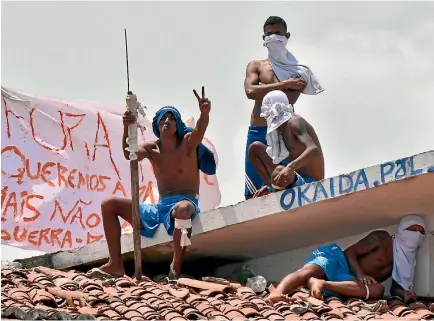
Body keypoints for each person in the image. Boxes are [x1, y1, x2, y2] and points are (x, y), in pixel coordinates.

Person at [90, 86, 215, 280]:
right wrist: (127, 128)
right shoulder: (151, 148)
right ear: (156, 124)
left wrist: (204, 113)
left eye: (172, 118)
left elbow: (200, 129)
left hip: (184, 202)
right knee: (109, 204)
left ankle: (175, 268)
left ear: (178, 125)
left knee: (182, 210)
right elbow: (129, 154)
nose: (167, 121)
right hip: (159, 209)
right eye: (164, 118)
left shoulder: (188, 143)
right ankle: (115, 264)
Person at [244, 15, 323, 199]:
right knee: (252, 193)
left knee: (283, 179)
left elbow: (288, 100)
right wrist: (282, 84)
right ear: (263, 38)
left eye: (278, 34)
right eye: (268, 35)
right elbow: (250, 91)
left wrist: (268, 89)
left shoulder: (297, 70)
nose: (273, 38)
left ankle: (275, 191)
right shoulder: (256, 65)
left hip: (282, 130)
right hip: (258, 129)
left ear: (287, 35)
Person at [265, 214, 426, 302]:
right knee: (307, 272)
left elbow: (394, 289)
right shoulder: (382, 239)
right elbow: (350, 252)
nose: (416, 234)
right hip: (338, 259)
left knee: (379, 290)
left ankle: (321, 283)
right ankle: (277, 293)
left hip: (349, 282)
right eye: (412, 229)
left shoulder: (407, 261)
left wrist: (404, 293)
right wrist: (362, 275)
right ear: (401, 230)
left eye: (421, 231)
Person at [248, 90, 324, 198]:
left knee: (279, 170)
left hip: (310, 182)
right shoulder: (280, 130)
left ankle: (275, 188)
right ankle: (272, 188)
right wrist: (272, 183)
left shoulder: (295, 122)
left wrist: (290, 167)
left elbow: (313, 149)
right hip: (293, 177)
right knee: (255, 148)